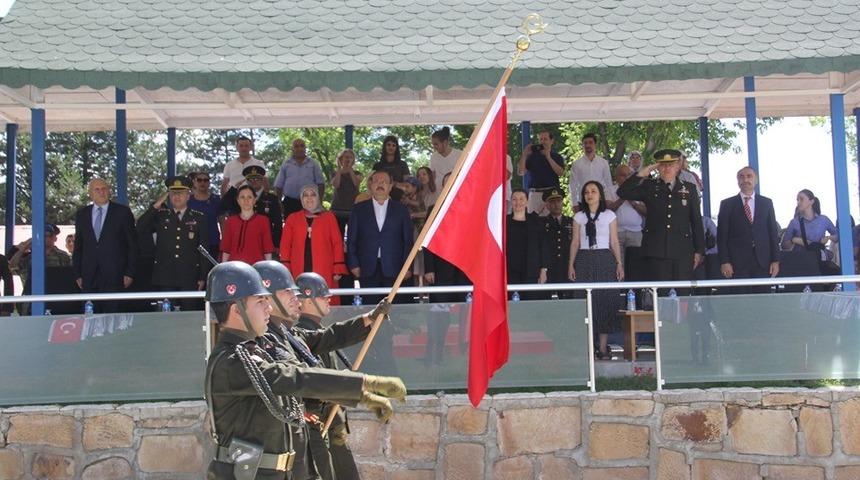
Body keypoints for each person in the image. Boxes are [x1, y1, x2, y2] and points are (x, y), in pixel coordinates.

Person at [204, 261, 404, 479]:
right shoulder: (232, 361)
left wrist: (369, 320)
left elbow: (324, 339)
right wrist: (363, 385)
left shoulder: (256, 346)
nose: (268, 307)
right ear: (236, 310)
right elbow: (294, 377)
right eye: (261, 301)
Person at [252, 261, 390, 480]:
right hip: (295, 434)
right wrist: (357, 387)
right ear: (267, 295)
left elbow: (329, 336)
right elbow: (299, 377)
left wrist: (370, 318)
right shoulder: (264, 341)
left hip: (309, 430)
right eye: (287, 291)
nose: (294, 297)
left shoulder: (287, 333)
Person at [294, 272, 385, 480]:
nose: (328, 298)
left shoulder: (317, 330)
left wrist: (370, 318)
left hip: (332, 423)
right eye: (321, 295)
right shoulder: (300, 335)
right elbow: (312, 382)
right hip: (318, 424)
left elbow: (336, 335)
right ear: (304, 301)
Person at [617, 149, 705, 281]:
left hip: (682, 250)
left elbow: (696, 221)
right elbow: (623, 192)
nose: (667, 168)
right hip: (656, 251)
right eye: (663, 164)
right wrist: (642, 173)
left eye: (671, 164)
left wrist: (699, 251)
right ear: (658, 167)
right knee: (660, 297)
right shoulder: (650, 186)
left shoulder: (689, 188)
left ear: (677, 166)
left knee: (683, 296)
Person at [568, 181, 624, 359]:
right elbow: (575, 242)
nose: (589, 195)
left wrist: (619, 263)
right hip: (584, 258)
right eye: (586, 192)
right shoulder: (579, 217)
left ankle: (602, 346)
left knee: (604, 299)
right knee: (585, 301)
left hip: (605, 258)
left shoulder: (609, 216)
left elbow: (614, 241)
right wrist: (571, 264)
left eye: (593, 191)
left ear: (600, 194)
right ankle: (588, 346)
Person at [136, 176, 209, 311]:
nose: (177, 196)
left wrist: (202, 276)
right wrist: (157, 205)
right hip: (166, 275)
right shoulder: (161, 216)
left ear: (188, 196)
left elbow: (204, 249)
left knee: (189, 314)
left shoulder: (198, 217)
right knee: (167, 316)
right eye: (173, 193)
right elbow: (140, 226)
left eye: (181, 193)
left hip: (189, 275)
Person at [73, 178, 137, 313]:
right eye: (97, 189)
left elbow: (132, 244)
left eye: (104, 189)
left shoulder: (122, 212)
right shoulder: (82, 214)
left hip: (116, 275)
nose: (101, 192)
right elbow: (78, 246)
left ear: (109, 191)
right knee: (90, 317)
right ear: (90, 193)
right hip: (89, 275)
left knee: (114, 316)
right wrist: (78, 274)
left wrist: (129, 272)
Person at [346, 170, 414, 292]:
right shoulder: (358, 209)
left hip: (395, 267)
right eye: (376, 181)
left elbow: (408, 241)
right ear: (370, 185)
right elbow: (351, 239)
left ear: (390, 186)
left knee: (393, 308)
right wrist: (353, 264)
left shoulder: (401, 210)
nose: (380, 184)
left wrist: (408, 267)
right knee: (370, 307)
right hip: (366, 267)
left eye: (384, 182)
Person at [280, 184, 348, 305]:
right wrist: (286, 268)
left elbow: (337, 243)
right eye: (305, 195)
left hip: (324, 267)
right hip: (298, 267)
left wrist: (338, 267)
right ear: (301, 198)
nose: (309, 198)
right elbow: (285, 245)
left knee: (324, 300)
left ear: (318, 197)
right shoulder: (292, 218)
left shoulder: (329, 217)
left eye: (313, 195)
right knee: (301, 301)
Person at [717, 167, 780, 282]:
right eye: (741, 177)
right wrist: (725, 262)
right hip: (737, 263)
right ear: (737, 181)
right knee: (741, 299)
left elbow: (773, 234)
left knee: (762, 298)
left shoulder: (766, 203)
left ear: (756, 180)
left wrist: (775, 260)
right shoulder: (727, 204)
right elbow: (721, 236)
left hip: (762, 261)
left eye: (749, 176)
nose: (745, 179)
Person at [222, 165, 284, 247]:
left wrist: (276, 244)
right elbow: (223, 205)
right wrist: (234, 188)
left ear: (262, 180)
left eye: (257, 179)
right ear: (246, 181)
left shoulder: (271, 198)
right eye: (250, 179)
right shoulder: (239, 197)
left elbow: (278, 222)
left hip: (266, 241)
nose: (254, 181)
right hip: (243, 241)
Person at [781, 189, 839, 275]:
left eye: (801, 199)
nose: (798, 202)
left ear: (811, 201)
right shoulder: (794, 222)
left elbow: (838, 236)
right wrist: (794, 240)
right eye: (797, 200)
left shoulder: (823, 220)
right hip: (800, 263)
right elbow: (784, 246)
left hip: (819, 262)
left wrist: (828, 237)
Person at [220, 185, 275, 264]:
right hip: (234, 269)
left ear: (254, 200)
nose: (246, 200)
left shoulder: (263, 221)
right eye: (242, 197)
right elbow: (226, 249)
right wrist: (224, 269)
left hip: (257, 268)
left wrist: (267, 270)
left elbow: (267, 249)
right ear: (238, 200)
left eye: (249, 197)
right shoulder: (230, 221)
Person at [274, 138, 326, 218]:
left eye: (302, 146)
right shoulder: (286, 164)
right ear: (292, 149)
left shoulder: (313, 163)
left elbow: (321, 184)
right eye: (296, 146)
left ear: (305, 148)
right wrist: (278, 202)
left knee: (309, 227)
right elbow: (278, 185)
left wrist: (319, 202)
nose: (299, 148)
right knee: (290, 227)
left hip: (310, 201)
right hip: (290, 202)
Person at [606, 164, 646, 267]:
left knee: (636, 268)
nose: (627, 178)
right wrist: (624, 195)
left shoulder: (638, 189)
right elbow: (609, 210)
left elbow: (646, 212)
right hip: (616, 234)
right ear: (616, 177)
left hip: (636, 233)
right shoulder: (610, 190)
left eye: (629, 175)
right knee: (618, 268)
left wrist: (633, 202)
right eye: (623, 175)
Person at [518, 130, 565, 215]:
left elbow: (560, 173)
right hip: (535, 194)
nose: (543, 142)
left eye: (545, 139)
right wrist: (524, 155)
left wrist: (548, 157)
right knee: (533, 221)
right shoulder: (532, 156)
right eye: (541, 139)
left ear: (552, 141)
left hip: (551, 194)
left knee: (552, 220)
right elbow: (521, 172)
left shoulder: (557, 156)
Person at [537, 188, 573, 298]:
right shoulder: (541, 222)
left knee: (568, 299)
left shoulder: (571, 221)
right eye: (552, 202)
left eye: (558, 201)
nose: (556, 205)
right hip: (549, 267)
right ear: (547, 205)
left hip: (566, 266)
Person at [506, 189, 542, 291]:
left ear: (527, 202)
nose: (518, 202)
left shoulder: (536, 221)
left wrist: (543, 269)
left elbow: (542, 245)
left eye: (521, 199)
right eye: (514, 199)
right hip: (509, 270)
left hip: (531, 269)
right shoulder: (504, 221)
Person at [569, 132, 615, 208]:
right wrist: (574, 204)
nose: (588, 145)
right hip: (582, 201)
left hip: (600, 201)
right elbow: (573, 185)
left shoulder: (603, 163)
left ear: (595, 145)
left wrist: (609, 199)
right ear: (582, 145)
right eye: (585, 143)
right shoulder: (576, 164)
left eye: (590, 142)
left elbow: (608, 182)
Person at [187, 171, 222, 259]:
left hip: (213, 241)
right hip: (192, 242)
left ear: (209, 182)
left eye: (205, 180)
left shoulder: (216, 200)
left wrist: (224, 241)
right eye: (199, 180)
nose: (202, 182)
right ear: (194, 182)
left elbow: (222, 221)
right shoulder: (188, 200)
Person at [330, 148, 363, 234]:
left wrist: (350, 169)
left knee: (353, 236)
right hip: (337, 210)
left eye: (350, 157)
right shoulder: (334, 173)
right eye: (345, 157)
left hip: (353, 210)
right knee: (337, 235)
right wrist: (339, 169)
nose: (348, 159)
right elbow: (336, 184)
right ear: (341, 159)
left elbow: (356, 183)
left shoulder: (357, 173)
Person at [429, 126, 462, 191]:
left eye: (436, 144)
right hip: (438, 193)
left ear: (445, 142)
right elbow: (432, 175)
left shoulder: (459, 155)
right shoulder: (433, 157)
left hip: (455, 190)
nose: (434, 147)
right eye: (433, 145)